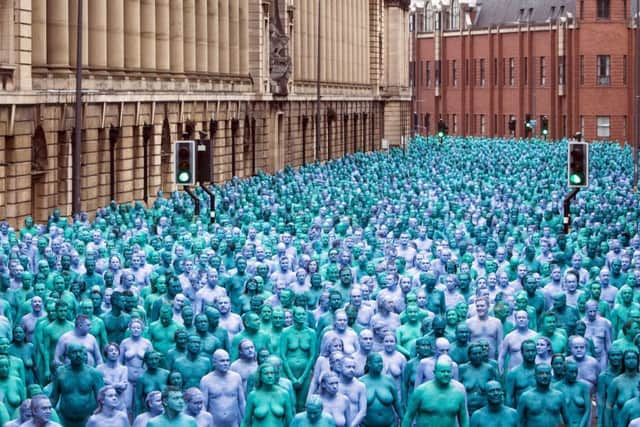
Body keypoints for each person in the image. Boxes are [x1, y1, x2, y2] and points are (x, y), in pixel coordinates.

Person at [402, 357, 468, 427]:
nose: (446, 374)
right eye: (442, 371)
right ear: (434, 372)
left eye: (448, 372)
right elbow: (408, 417)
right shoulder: (421, 391)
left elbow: (464, 420)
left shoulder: (458, 393)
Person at [50, 344, 104, 427]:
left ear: (85, 354)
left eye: (80, 352)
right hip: (64, 419)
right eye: (74, 352)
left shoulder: (94, 374)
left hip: (87, 420)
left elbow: (101, 400)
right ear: (68, 355)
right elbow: (54, 398)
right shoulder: (60, 372)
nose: (78, 355)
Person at [199, 349, 245, 427]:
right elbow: (203, 406)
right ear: (214, 363)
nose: (226, 363)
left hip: (233, 424)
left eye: (227, 360)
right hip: (215, 424)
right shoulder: (206, 380)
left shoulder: (236, 377)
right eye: (222, 361)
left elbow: (242, 402)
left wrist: (245, 421)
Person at [242, 362, 293, 427]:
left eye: (272, 373)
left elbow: (290, 422)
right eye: (266, 374)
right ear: (260, 376)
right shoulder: (253, 395)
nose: (270, 376)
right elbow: (246, 422)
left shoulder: (284, 394)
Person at [605, 349, 640, 427]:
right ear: (623, 361)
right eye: (628, 358)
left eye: (634, 358)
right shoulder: (617, 381)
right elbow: (608, 405)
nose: (631, 360)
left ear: (638, 360)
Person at [554, 360, 591, 427]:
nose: (574, 375)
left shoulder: (583, 387)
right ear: (564, 372)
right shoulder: (556, 387)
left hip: (581, 424)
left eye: (575, 372)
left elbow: (588, 410)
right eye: (571, 372)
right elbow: (555, 411)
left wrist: (581, 425)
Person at [505, 339, 537, 408]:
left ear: (536, 352)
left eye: (533, 351)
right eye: (528, 351)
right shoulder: (513, 373)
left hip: (538, 413)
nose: (530, 354)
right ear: (522, 352)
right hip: (520, 412)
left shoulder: (542, 372)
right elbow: (509, 397)